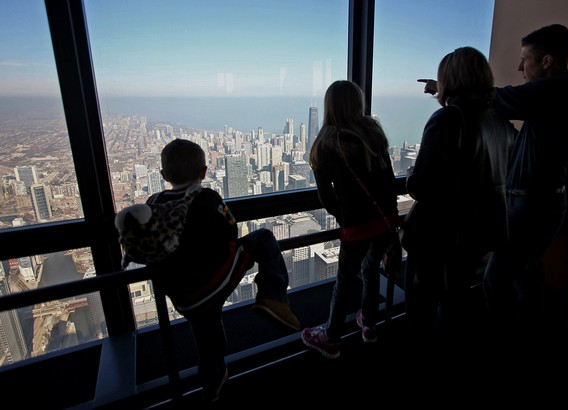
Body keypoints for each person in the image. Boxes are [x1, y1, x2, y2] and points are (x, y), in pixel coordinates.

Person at [420, 24, 568, 334]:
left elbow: (492, 98)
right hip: (545, 202)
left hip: (532, 204)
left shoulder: (556, 91)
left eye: (525, 59)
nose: (519, 67)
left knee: (496, 280)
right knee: (527, 273)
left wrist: (447, 87)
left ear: (548, 61)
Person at [148, 139, 300, 402]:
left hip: (184, 295)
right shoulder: (207, 197)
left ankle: (213, 379)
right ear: (204, 172)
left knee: (206, 331)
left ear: (164, 175)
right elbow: (231, 229)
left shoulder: (152, 202)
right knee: (263, 238)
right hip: (215, 279)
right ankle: (273, 297)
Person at [404, 47, 515, 335]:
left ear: (449, 80)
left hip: (438, 238)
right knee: (456, 301)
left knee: (421, 308)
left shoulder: (447, 119)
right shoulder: (502, 123)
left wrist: (410, 175)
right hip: (478, 235)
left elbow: (421, 186)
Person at [300, 80, 401, 359]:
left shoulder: (325, 143)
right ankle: (369, 324)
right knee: (370, 272)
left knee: (345, 281)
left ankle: (330, 338)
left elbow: (325, 196)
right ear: (359, 103)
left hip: (355, 225)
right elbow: (388, 180)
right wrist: (390, 216)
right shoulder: (374, 133)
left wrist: (344, 216)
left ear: (329, 106)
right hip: (382, 221)